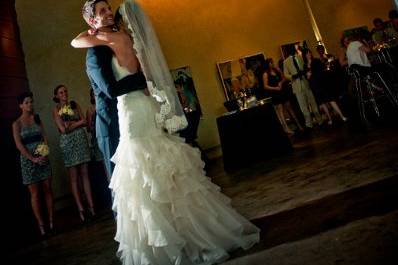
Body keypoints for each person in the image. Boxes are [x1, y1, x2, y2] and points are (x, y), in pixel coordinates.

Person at [73, 1, 260, 264]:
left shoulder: (110, 40)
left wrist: (92, 33)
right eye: (100, 11)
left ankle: (172, 240)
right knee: (150, 169)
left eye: (107, 9)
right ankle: (178, 232)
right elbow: (113, 73)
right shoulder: (115, 41)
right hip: (137, 108)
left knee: (146, 171)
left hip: (132, 110)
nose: (105, 13)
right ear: (92, 20)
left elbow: (85, 51)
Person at [12, 91, 54, 237]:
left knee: (48, 188)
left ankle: (51, 221)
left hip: (43, 157)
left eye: (31, 101)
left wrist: (44, 152)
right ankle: (41, 226)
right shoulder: (16, 124)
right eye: (26, 102)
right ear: (21, 105)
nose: (30, 105)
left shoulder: (37, 118)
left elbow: (44, 137)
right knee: (35, 194)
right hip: (28, 161)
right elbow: (19, 145)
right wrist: (33, 159)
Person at [52, 85, 95, 222]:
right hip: (68, 144)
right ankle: (81, 210)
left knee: (85, 174)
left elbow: (85, 121)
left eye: (65, 91)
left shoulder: (74, 104)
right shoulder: (56, 109)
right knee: (74, 178)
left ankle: (91, 207)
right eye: (61, 92)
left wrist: (72, 124)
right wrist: (77, 123)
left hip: (81, 140)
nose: (64, 93)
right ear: (57, 96)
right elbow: (63, 130)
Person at [283, 45, 323, 129]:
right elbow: (286, 74)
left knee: (313, 103)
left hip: (305, 83)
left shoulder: (299, 57)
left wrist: (305, 72)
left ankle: (319, 120)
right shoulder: (286, 62)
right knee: (303, 107)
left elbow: (305, 66)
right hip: (297, 85)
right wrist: (293, 76)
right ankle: (309, 124)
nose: (294, 49)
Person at [259, 58, 295, 134]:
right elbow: (265, 86)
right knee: (280, 112)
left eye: (272, 62)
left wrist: (281, 83)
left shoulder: (276, 70)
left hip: (281, 91)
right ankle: (286, 128)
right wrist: (275, 88)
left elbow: (284, 78)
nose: (272, 63)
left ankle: (289, 126)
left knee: (286, 109)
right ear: (268, 64)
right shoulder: (265, 74)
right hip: (274, 93)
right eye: (271, 63)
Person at [309, 59, 348, 125]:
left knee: (324, 106)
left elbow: (312, 85)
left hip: (318, 92)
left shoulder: (312, 76)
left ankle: (330, 120)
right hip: (325, 90)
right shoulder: (322, 72)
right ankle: (342, 116)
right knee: (332, 102)